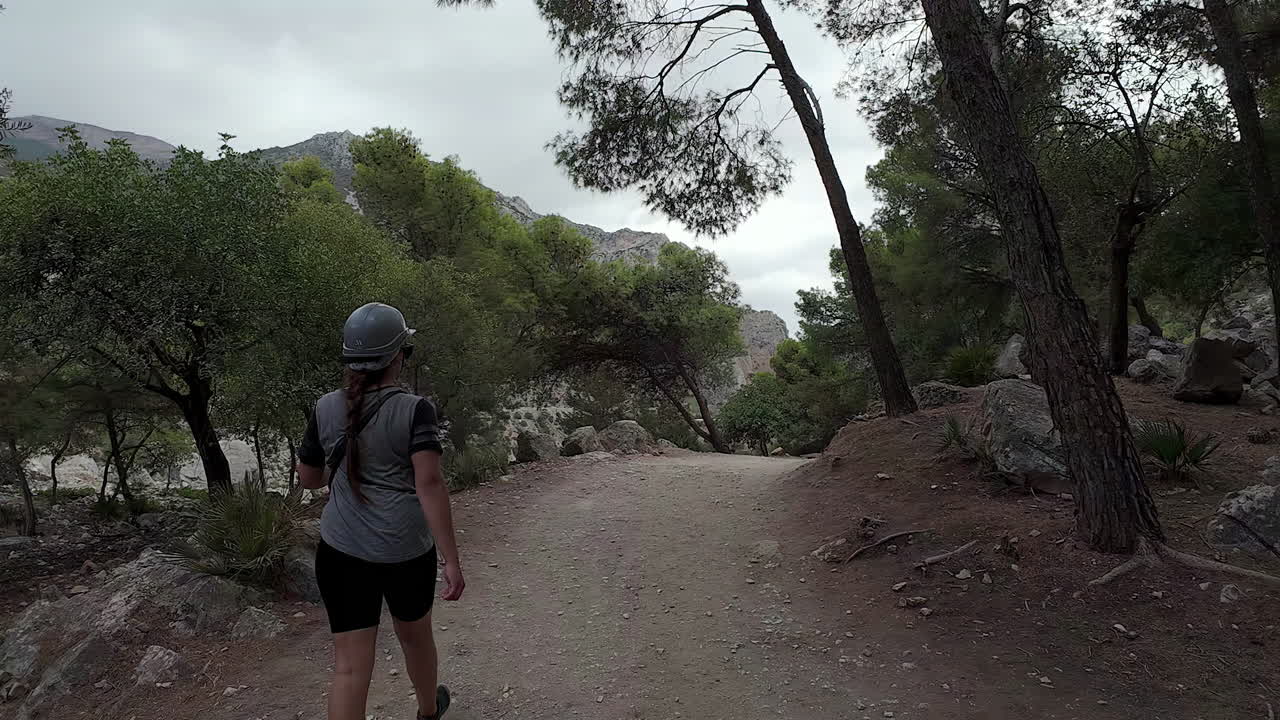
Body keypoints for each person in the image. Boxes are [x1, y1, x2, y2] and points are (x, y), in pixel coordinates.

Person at [297, 302, 465, 720]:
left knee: (350, 667)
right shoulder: (415, 410)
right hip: (405, 551)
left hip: (341, 551)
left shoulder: (324, 407)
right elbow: (428, 484)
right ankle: (428, 711)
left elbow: (309, 479)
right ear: (398, 357)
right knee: (415, 638)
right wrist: (452, 559)